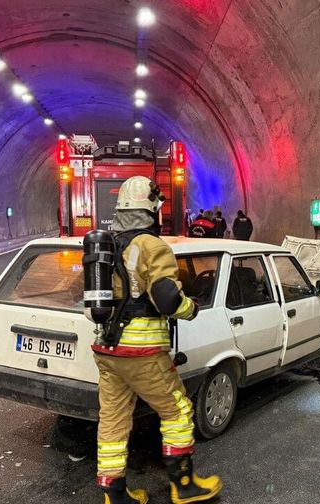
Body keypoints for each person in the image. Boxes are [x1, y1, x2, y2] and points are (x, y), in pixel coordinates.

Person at [93, 176, 223, 504]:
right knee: (178, 410)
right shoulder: (152, 246)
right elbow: (166, 298)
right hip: (142, 351)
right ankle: (184, 485)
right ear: (152, 212)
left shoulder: (108, 245)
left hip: (108, 350)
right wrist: (190, 308)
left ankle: (115, 495)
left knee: (112, 420)